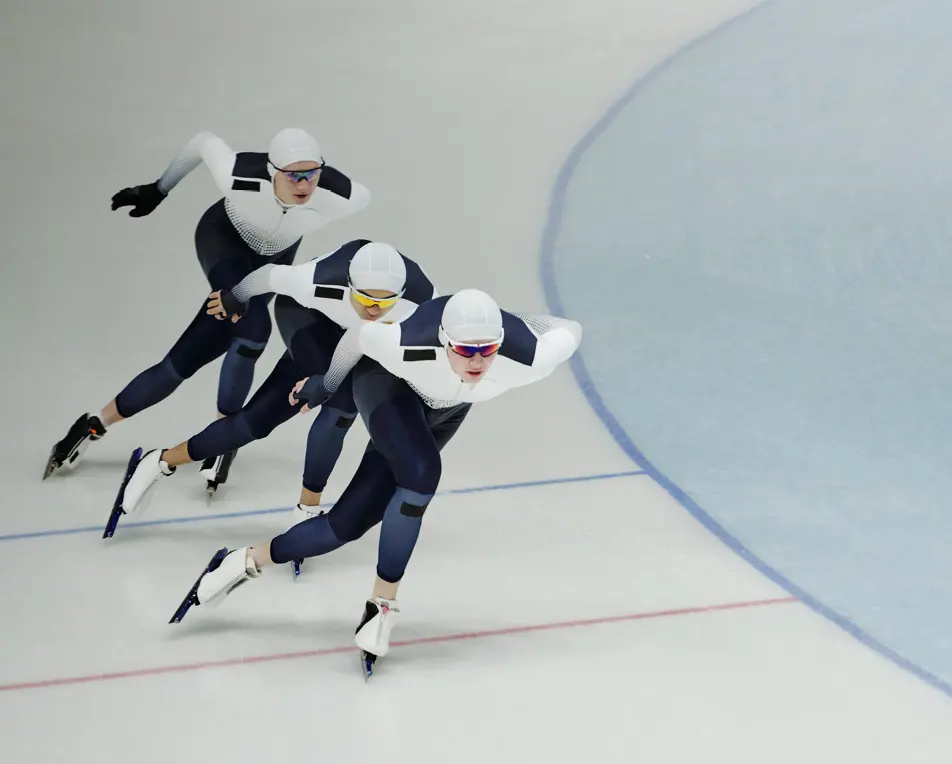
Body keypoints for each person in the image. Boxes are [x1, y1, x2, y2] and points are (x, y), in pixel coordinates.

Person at [169, 288, 582, 676]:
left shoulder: (529, 357)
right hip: (385, 384)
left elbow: (570, 330)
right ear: (442, 340)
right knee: (421, 475)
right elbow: (360, 339)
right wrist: (324, 384)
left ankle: (241, 561)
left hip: (447, 410)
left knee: (346, 526)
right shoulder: (409, 344)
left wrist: (524, 322)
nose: (478, 361)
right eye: (466, 350)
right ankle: (381, 607)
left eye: (488, 349)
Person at [44, 127, 370, 481]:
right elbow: (202, 142)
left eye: (312, 174)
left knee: (181, 363)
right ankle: (223, 441)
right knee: (255, 326)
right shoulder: (239, 174)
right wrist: (159, 189)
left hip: (269, 265)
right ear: (272, 170)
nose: (304, 185)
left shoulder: (345, 196)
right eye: (294, 176)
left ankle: (95, 423)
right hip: (223, 240)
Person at [102, 239, 438, 550]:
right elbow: (270, 275)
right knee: (341, 402)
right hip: (306, 318)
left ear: (402, 293)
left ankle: (163, 458)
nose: (375, 310)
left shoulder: (420, 299)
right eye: (365, 299)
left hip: (353, 341)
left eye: (385, 302)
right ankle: (304, 507)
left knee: (257, 421)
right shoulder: (318, 279)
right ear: (349, 285)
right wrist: (236, 295)